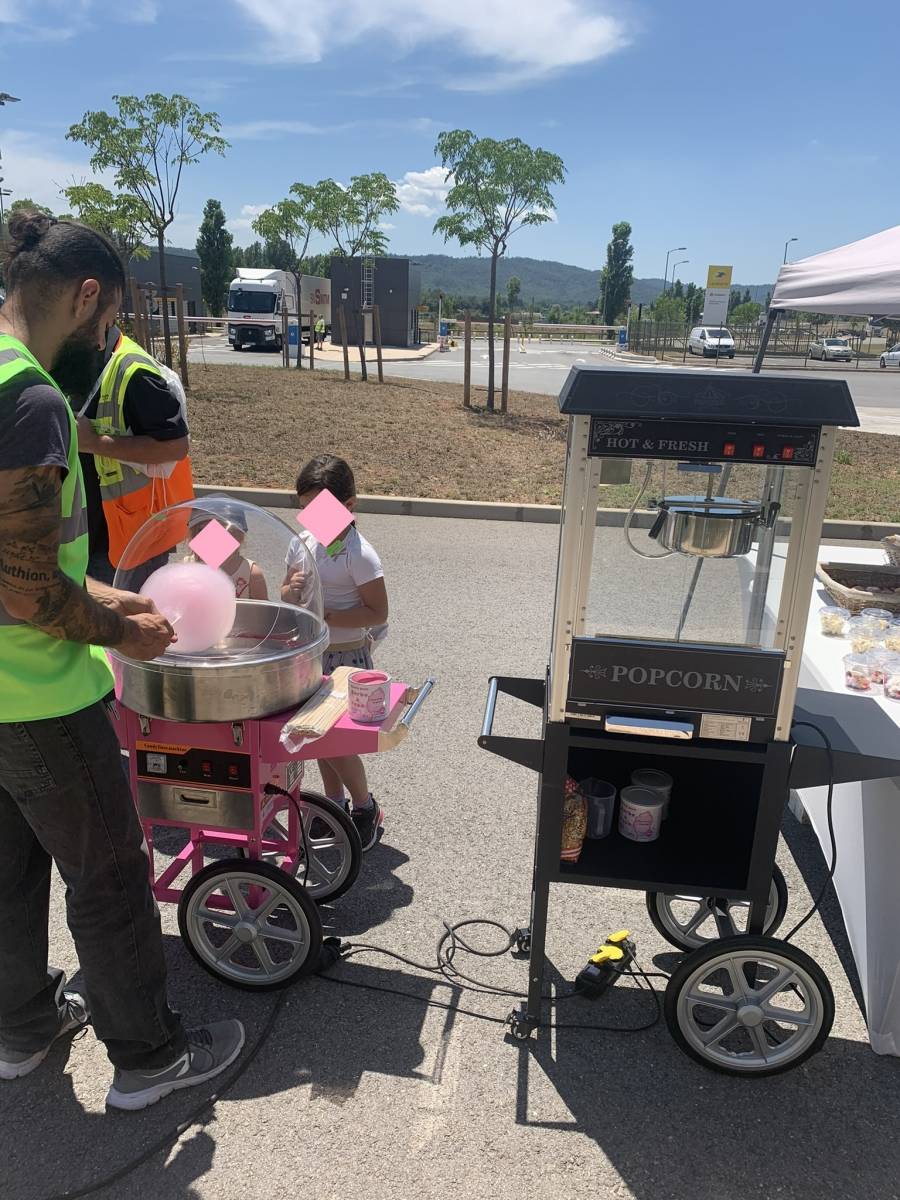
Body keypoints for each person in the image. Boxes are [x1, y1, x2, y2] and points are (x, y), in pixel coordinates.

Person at [0, 210, 244, 1109]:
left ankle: (21, 1033)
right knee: (107, 877)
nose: (108, 341)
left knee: (7, 875)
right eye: (107, 324)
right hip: (39, 695)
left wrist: (107, 594)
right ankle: (148, 1059)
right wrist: (121, 628)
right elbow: (27, 593)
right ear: (89, 296)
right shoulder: (28, 398)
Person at [281, 455, 389, 850]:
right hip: (310, 654)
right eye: (306, 507)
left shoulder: (359, 554)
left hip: (345, 658)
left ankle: (365, 807)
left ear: (350, 504)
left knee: (335, 743)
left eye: (321, 506)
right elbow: (284, 593)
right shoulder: (301, 543)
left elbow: (378, 612)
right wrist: (290, 591)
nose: (311, 515)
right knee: (314, 740)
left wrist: (330, 613)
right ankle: (334, 805)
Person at [52, 321, 194, 594]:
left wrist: (95, 443)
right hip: (82, 537)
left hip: (126, 545)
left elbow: (175, 447)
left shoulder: (133, 371)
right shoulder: (65, 360)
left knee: (123, 627)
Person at [187, 500, 269, 600]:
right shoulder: (187, 567)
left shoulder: (250, 573)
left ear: (238, 536)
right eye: (202, 530)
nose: (212, 537)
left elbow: (264, 612)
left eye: (221, 530)